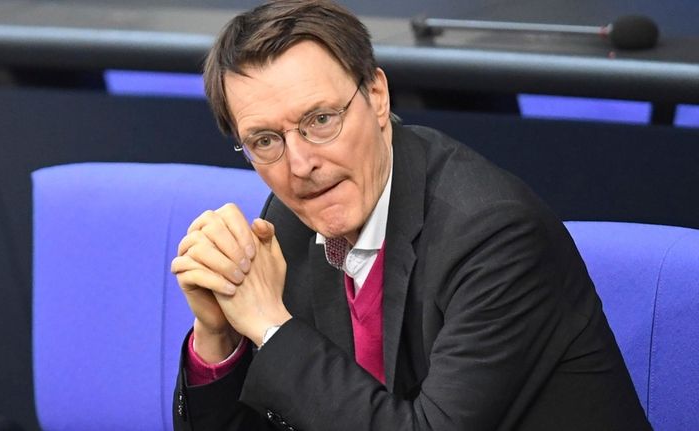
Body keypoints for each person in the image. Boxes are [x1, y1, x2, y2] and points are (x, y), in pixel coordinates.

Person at [169, 1, 651, 429]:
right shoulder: (292, 218)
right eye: (265, 141)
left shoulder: (496, 237)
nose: (300, 165)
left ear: (377, 97)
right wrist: (220, 335)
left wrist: (272, 327)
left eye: (320, 120)